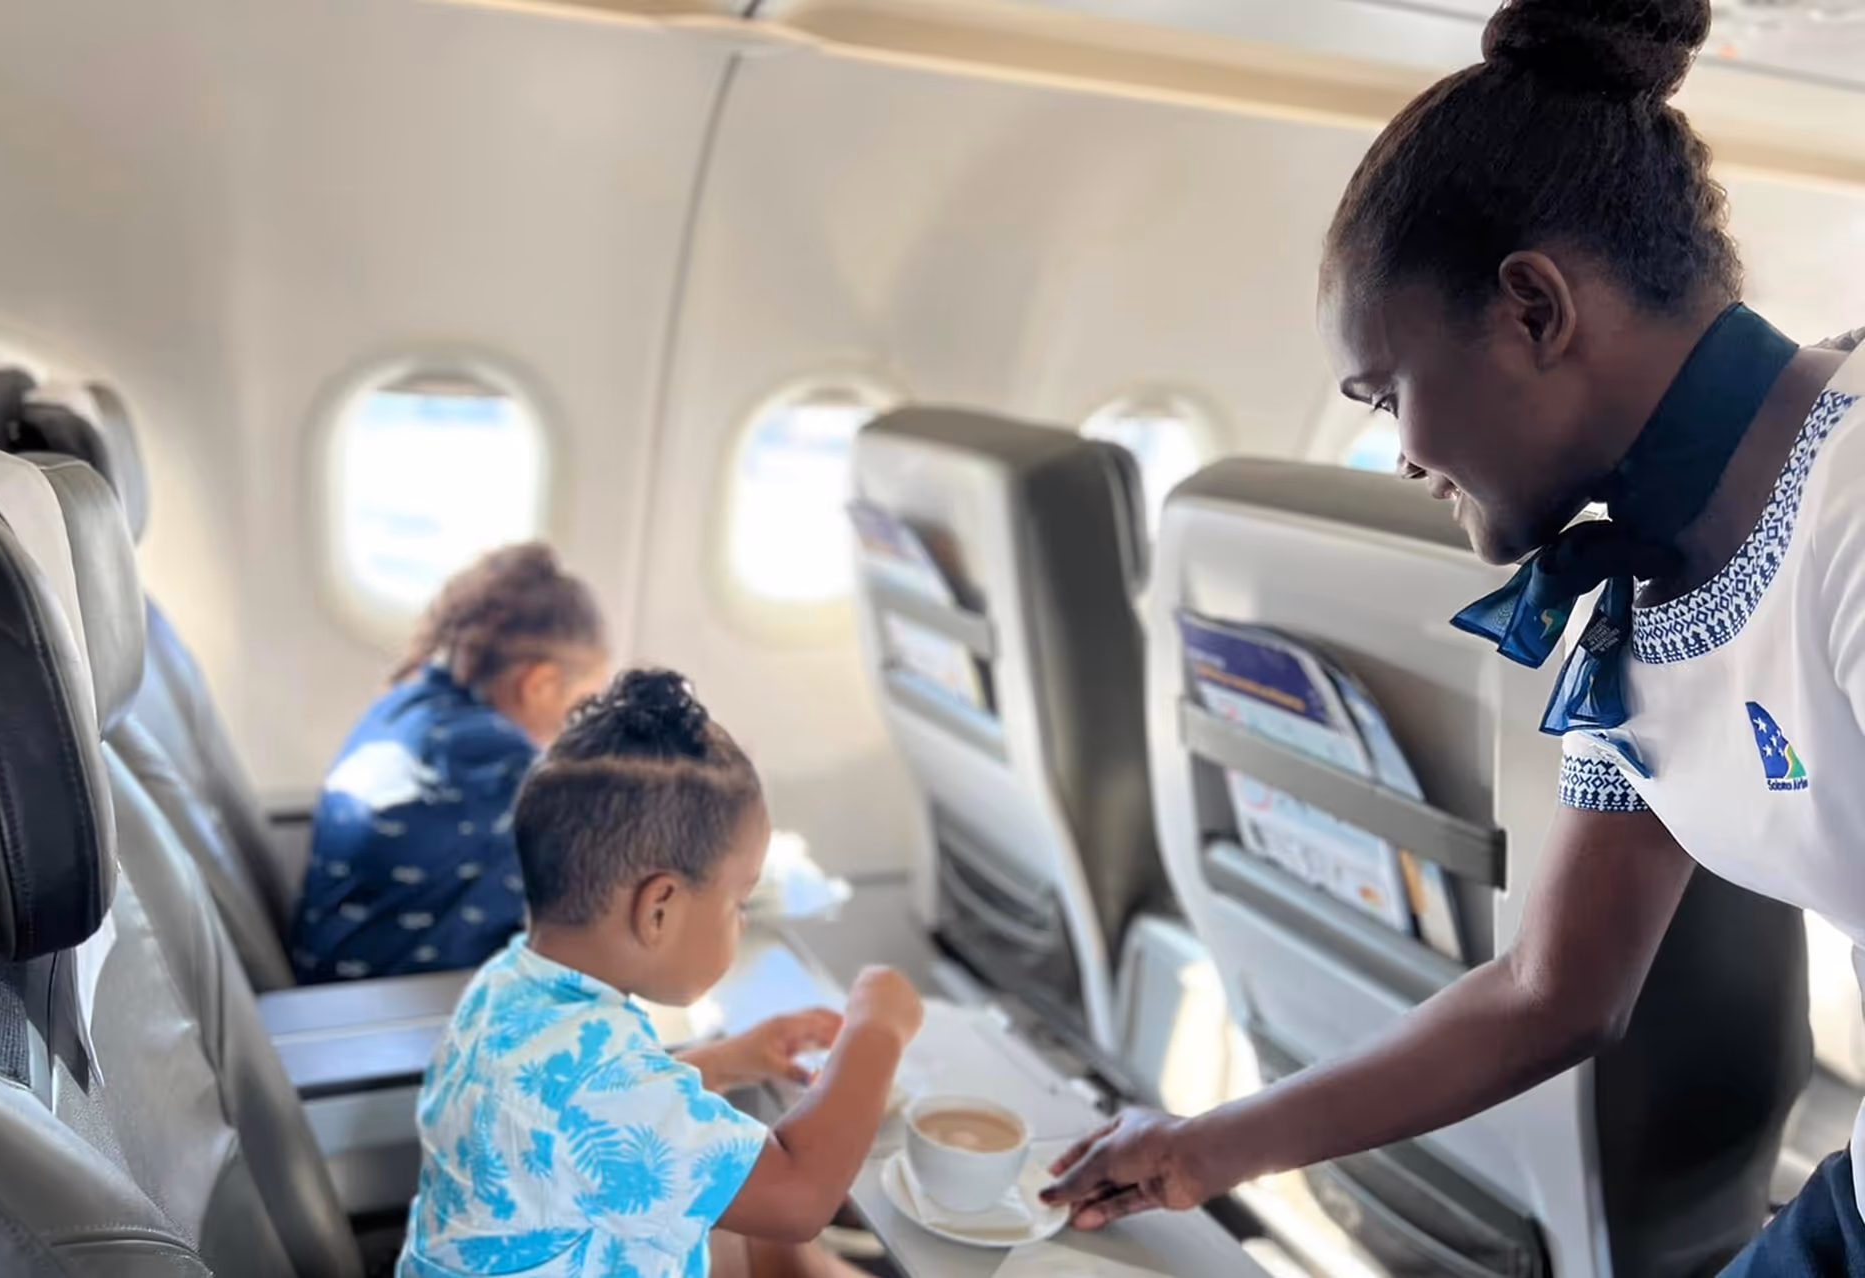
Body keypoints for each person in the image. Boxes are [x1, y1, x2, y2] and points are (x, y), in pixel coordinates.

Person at [1041, 1, 1865, 1272]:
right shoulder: (1638, 596)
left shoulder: (1849, 506)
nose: (1402, 457)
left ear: (1533, 309)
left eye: (1387, 395)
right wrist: (1206, 1148)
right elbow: (1551, 992)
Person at [399, 668, 923, 1278]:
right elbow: (801, 1198)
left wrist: (730, 1060)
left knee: (741, 1211)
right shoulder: (601, 1084)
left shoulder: (508, 987)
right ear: (659, 909)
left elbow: (584, 1114)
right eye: (739, 903)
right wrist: (876, 1026)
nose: (741, 921)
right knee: (768, 1209)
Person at [291, 543, 611, 983]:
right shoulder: (495, 765)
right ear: (539, 683)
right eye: (579, 704)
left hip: (335, 976)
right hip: (391, 1006)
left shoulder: (406, 700)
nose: (574, 725)